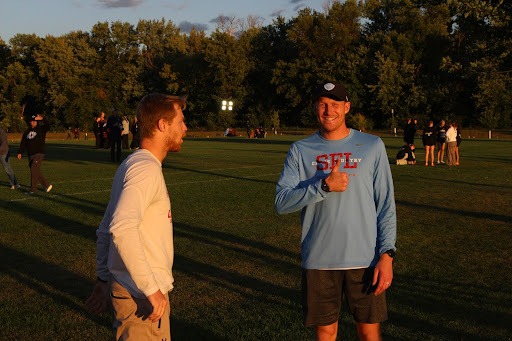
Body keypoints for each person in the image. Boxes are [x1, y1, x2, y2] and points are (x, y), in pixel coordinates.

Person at [275, 81, 396, 341]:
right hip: (320, 259)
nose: (328, 110)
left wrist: (387, 255)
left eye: (335, 104)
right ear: (315, 108)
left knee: (369, 332)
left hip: (365, 260)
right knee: (326, 333)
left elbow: (385, 204)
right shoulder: (300, 150)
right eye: (323, 104)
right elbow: (282, 202)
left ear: (347, 107)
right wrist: (323, 187)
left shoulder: (372, 145)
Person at [85, 93, 188, 340]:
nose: (185, 127)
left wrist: (102, 280)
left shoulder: (133, 163)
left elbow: (104, 230)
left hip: (130, 290)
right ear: (163, 125)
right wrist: (152, 290)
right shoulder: (145, 169)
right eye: (181, 121)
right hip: (141, 299)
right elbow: (121, 228)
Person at [17, 114, 52, 194]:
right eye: (32, 121)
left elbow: (48, 125)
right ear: (30, 122)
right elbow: (23, 143)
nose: (33, 122)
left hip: (39, 153)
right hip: (30, 154)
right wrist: (20, 152)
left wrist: (43, 118)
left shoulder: (41, 129)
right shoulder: (27, 132)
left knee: (34, 169)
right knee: (35, 171)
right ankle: (46, 185)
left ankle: (33, 189)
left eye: (35, 121)